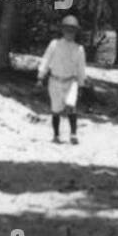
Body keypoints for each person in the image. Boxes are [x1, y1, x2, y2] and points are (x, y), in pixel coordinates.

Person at [36, 14, 88, 144]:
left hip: (71, 82)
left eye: (72, 30)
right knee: (56, 109)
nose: (69, 33)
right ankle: (56, 135)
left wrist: (82, 84)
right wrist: (40, 76)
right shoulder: (54, 44)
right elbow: (46, 59)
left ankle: (74, 133)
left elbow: (81, 68)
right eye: (67, 29)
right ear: (62, 30)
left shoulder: (79, 49)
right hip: (55, 81)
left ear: (76, 32)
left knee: (71, 105)